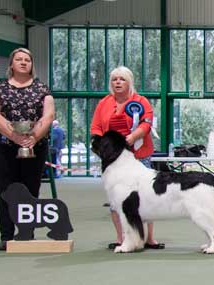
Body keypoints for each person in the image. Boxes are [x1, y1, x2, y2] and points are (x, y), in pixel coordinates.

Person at [0, 48, 55, 251]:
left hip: (35, 147)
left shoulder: (42, 89)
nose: (23, 62)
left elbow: (48, 116)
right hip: (5, 147)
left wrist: (32, 138)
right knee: (5, 191)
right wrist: (15, 137)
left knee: (31, 191)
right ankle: (6, 236)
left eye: (27, 60)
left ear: (32, 65)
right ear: (11, 64)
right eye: (19, 59)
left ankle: (27, 233)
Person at [90, 66, 161, 251]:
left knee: (145, 197)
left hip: (138, 152)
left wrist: (132, 137)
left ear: (130, 82)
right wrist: (98, 144)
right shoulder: (104, 103)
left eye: (122, 79)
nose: (118, 82)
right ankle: (122, 238)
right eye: (114, 79)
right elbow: (96, 127)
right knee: (117, 198)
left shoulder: (141, 101)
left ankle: (148, 238)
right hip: (113, 158)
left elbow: (147, 123)